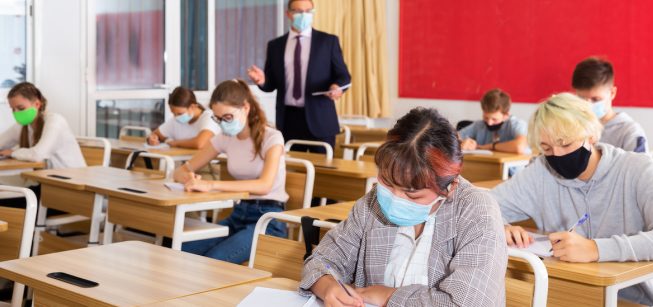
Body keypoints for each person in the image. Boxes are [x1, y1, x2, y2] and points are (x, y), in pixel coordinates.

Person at [300, 108, 507, 307]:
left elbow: (468, 303)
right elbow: (322, 260)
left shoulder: (476, 210)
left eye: (412, 193)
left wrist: (388, 296)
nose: (395, 197)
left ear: (449, 187)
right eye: (387, 183)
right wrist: (328, 286)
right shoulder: (372, 203)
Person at [492, 93, 653, 306]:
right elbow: (480, 206)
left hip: (638, 300)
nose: (557, 155)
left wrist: (596, 249)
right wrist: (499, 225)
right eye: (547, 148)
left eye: (565, 143)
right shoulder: (541, 171)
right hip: (567, 296)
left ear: (591, 135)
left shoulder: (639, 169)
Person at [174, 80, 287, 264]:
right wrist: (188, 177)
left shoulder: (272, 137)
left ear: (245, 108)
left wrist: (210, 184)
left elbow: (264, 185)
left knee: (213, 261)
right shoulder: (225, 138)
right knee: (183, 250)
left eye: (227, 117)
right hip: (238, 215)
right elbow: (180, 171)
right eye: (218, 119)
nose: (223, 124)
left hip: (268, 220)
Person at [247, 0, 351, 152]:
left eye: (308, 11)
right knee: (293, 169)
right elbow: (271, 84)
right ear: (288, 14)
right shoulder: (275, 46)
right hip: (289, 120)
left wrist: (336, 86)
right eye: (298, 11)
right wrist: (262, 81)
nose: (304, 15)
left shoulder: (328, 42)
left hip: (320, 118)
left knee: (324, 171)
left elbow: (343, 75)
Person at [0, 82, 85, 191]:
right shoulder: (23, 126)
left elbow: (37, 155)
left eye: (20, 108)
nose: (16, 113)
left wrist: (12, 153)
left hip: (69, 186)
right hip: (45, 182)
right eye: (13, 109)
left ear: (37, 104)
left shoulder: (55, 121)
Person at [572, 57, 648, 153]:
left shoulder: (629, 132)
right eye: (581, 99)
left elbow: (641, 166)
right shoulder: (573, 127)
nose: (588, 105)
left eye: (595, 99)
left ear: (612, 93)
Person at [146, 87, 220, 149]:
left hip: (210, 165)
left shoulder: (210, 117)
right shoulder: (176, 120)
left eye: (179, 113)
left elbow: (200, 143)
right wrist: (152, 139)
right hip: (188, 163)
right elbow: (156, 134)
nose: (176, 117)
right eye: (173, 113)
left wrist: (174, 143)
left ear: (192, 107)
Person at [460, 88, 529, 154]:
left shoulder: (517, 124)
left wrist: (491, 146)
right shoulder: (479, 125)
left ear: (506, 115)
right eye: (486, 117)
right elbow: (453, 138)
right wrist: (462, 143)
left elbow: (520, 147)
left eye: (494, 119)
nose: (489, 123)